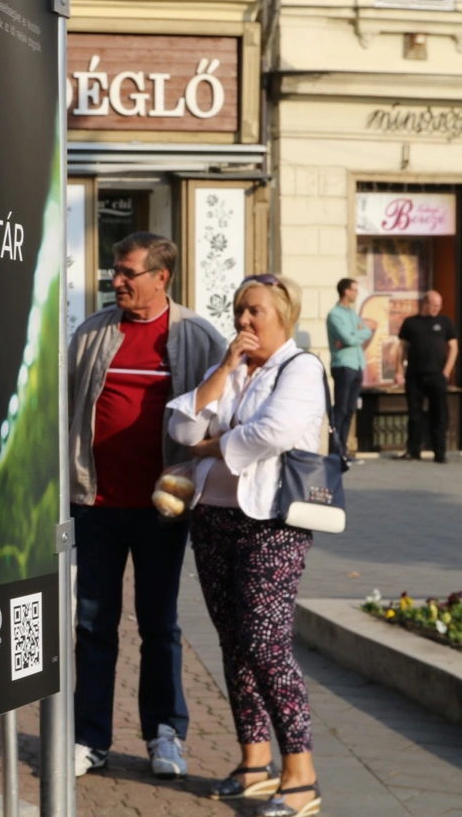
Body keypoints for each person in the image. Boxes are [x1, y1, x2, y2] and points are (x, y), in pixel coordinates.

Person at [67, 232, 226, 779]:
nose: (116, 281)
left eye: (127, 272)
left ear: (162, 277)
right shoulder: (93, 332)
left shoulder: (196, 337)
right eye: (114, 270)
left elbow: (223, 413)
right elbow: (63, 409)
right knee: (93, 624)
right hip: (95, 503)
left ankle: (165, 734)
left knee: (159, 623)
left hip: (163, 509)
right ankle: (89, 738)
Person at [168, 275, 324, 817]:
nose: (243, 320)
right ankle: (255, 762)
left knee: (266, 644)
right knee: (234, 642)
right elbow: (181, 429)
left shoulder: (300, 368)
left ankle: (301, 774)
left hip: (271, 524)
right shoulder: (232, 368)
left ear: (284, 314)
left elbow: (273, 433)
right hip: (213, 518)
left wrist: (212, 445)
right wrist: (224, 368)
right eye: (238, 309)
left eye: (254, 310)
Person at [394, 290, 457, 463]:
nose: (437, 308)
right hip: (414, 376)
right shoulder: (410, 322)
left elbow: (453, 347)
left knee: (439, 414)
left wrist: (446, 371)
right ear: (425, 303)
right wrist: (399, 370)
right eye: (434, 305)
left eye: (439, 306)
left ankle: (439, 452)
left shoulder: (445, 322)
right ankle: (413, 450)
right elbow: (402, 348)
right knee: (414, 415)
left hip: (437, 375)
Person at [325, 278, 374, 461]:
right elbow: (348, 339)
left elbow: (367, 331)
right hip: (343, 365)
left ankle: (343, 450)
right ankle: (335, 451)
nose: (356, 293)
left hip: (357, 364)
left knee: (350, 410)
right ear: (346, 291)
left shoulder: (352, 314)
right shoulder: (335, 315)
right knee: (340, 409)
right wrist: (353, 336)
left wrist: (353, 335)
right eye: (354, 290)